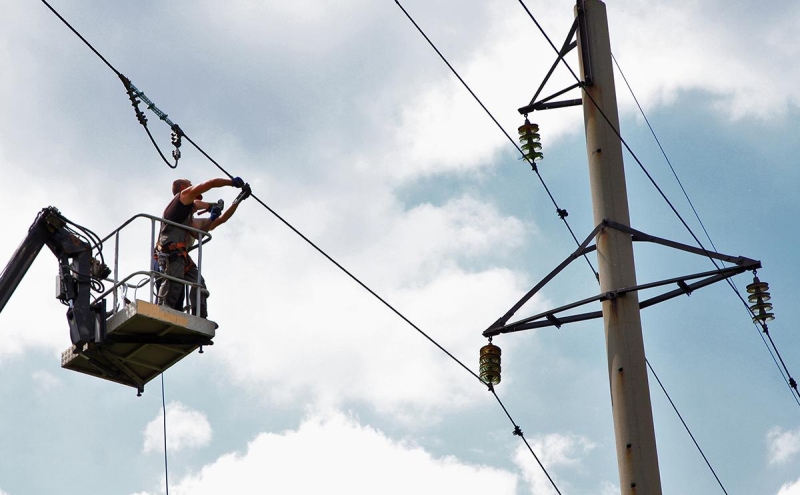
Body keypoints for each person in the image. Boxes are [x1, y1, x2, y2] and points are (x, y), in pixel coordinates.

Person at [155, 177, 246, 317]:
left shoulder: (188, 220)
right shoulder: (182, 197)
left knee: (199, 283)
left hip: (181, 255)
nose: (192, 184)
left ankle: (199, 314)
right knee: (174, 280)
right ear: (182, 187)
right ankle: (162, 311)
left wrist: (237, 201)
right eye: (189, 183)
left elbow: (210, 227)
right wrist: (231, 182)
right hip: (171, 251)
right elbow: (209, 184)